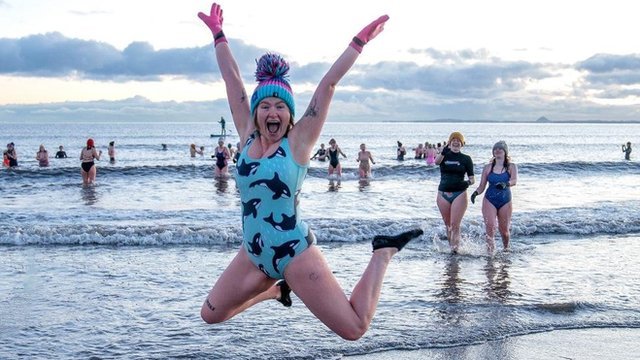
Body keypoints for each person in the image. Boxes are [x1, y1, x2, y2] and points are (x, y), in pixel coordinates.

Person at [197, 3, 423, 340]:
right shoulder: (246, 135)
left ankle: (382, 253)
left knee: (355, 327)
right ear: (257, 112)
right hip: (253, 252)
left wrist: (358, 42)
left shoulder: (299, 142)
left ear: (289, 114)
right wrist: (218, 34)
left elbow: (328, 84)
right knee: (211, 314)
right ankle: (276, 291)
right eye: (265, 106)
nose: (272, 112)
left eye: (280, 106)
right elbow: (232, 80)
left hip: (294, 253)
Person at [470, 141, 518, 253]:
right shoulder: (488, 167)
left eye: (500, 149)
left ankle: (506, 249)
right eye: (495, 149)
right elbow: (482, 186)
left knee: (504, 231)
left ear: (505, 152)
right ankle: (490, 254)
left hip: (505, 200)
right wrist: (475, 193)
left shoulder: (511, 166)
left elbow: (514, 181)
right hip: (489, 199)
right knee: (490, 228)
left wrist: (506, 184)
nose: (497, 150)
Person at [436, 131, 475, 254]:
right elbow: (436, 162)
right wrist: (443, 151)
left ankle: (455, 251)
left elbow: (472, 179)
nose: (456, 142)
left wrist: (467, 183)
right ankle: (451, 249)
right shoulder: (444, 156)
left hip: (459, 193)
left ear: (462, 143)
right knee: (447, 224)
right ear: (449, 142)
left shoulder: (466, 159)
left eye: (458, 140)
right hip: (443, 193)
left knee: (455, 225)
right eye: (453, 140)